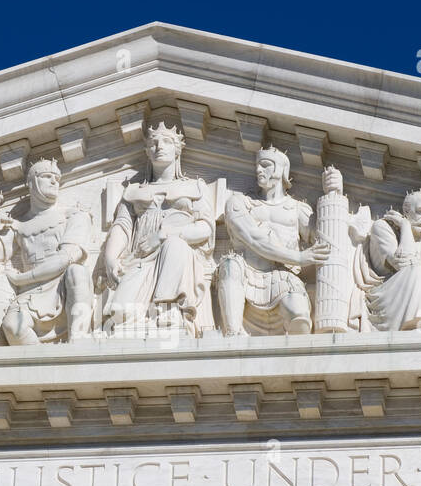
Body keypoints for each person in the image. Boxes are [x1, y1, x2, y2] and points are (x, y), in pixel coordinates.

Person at [99, 122, 215, 336]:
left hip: (178, 260)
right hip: (140, 258)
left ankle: (167, 307)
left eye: (167, 141)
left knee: (175, 245)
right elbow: (122, 226)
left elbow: (205, 228)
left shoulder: (195, 187)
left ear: (177, 149)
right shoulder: (134, 191)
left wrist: (163, 236)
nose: (159, 146)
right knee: (120, 313)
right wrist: (110, 258)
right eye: (153, 143)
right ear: (146, 152)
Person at [217, 146, 328, 335]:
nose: (258, 170)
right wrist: (299, 257)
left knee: (299, 316)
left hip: (283, 277)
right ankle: (232, 336)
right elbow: (254, 238)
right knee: (229, 264)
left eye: (266, 165)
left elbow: (325, 242)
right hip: (246, 273)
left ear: (282, 170)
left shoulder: (298, 210)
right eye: (257, 166)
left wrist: (334, 195)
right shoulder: (239, 203)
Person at [0, 158, 93, 345]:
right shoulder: (18, 226)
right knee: (12, 326)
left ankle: (78, 342)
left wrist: (20, 278)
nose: (54, 182)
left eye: (57, 178)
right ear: (32, 182)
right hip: (30, 293)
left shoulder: (74, 215)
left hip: (63, 286)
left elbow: (65, 258)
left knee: (77, 271)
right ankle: (43, 368)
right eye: (47, 176)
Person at [359, 190, 421, 331]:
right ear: (406, 210)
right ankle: (416, 325)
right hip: (390, 296)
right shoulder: (382, 227)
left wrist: (418, 265)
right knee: (416, 272)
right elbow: (402, 263)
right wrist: (405, 226)